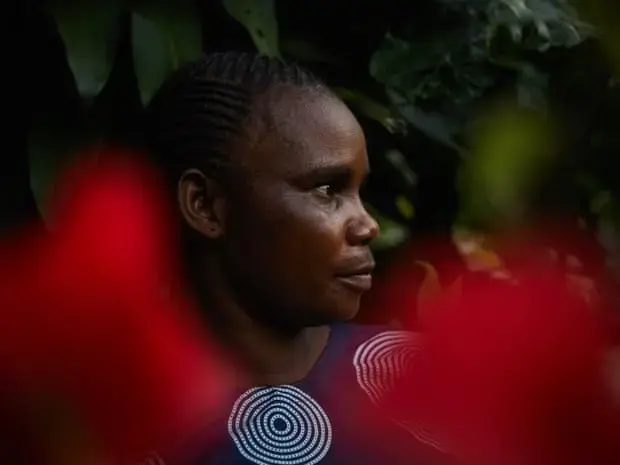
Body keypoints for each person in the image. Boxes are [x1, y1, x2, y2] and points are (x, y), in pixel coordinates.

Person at [141, 51, 447, 465]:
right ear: (205, 205)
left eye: (359, 191)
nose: (368, 225)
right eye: (327, 190)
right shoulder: (108, 430)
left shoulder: (432, 381)